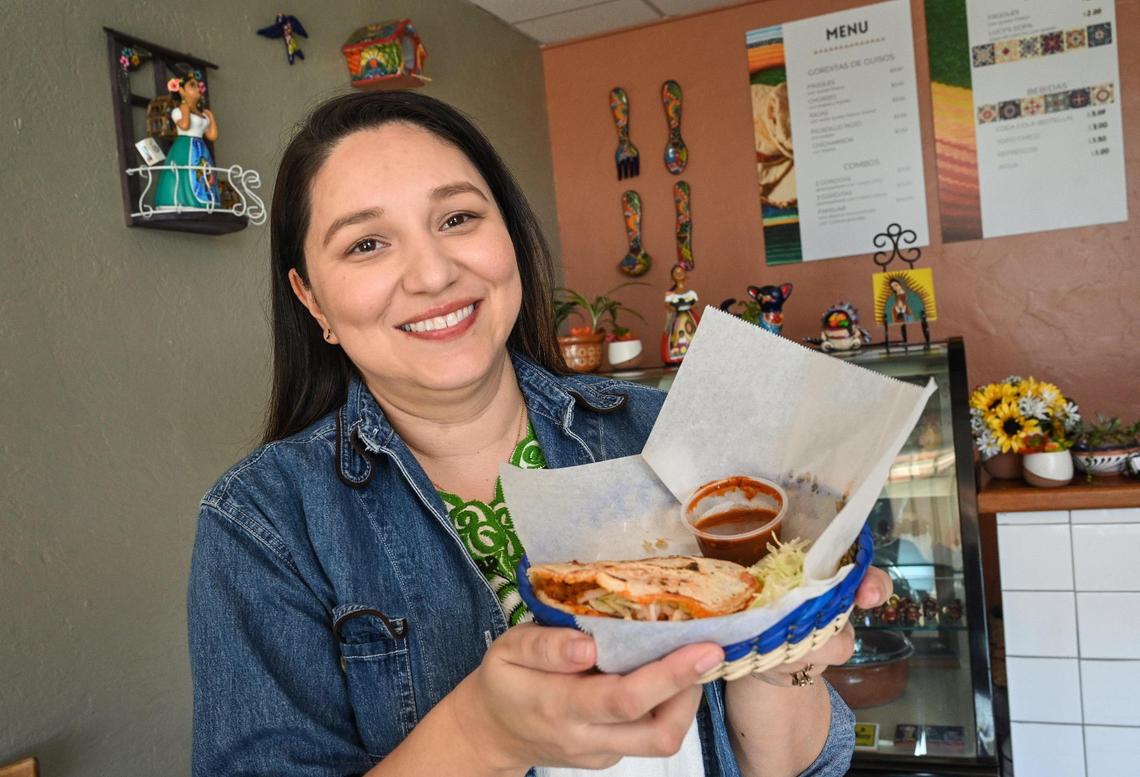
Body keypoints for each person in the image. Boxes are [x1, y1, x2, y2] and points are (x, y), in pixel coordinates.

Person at [188, 90, 892, 777]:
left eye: (458, 217)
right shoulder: (263, 522)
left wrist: (786, 652)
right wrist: (480, 733)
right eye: (367, 243)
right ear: (312, 299)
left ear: (511, 237)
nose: (433, 272)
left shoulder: (658, 435)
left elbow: (789, 766)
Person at [155, 67, 220, 210]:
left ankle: (207, 200)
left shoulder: (203, 114)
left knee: (204, 172)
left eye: (197, 86)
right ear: (182, 91)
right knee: (186, 172)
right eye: (192, 85)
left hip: (201, 147)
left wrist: (211, 117)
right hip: (185, 145)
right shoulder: (178, 111)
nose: (197, 89)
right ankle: (185, 201)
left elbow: (212, 135)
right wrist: (185, 110)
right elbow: (184, 125)